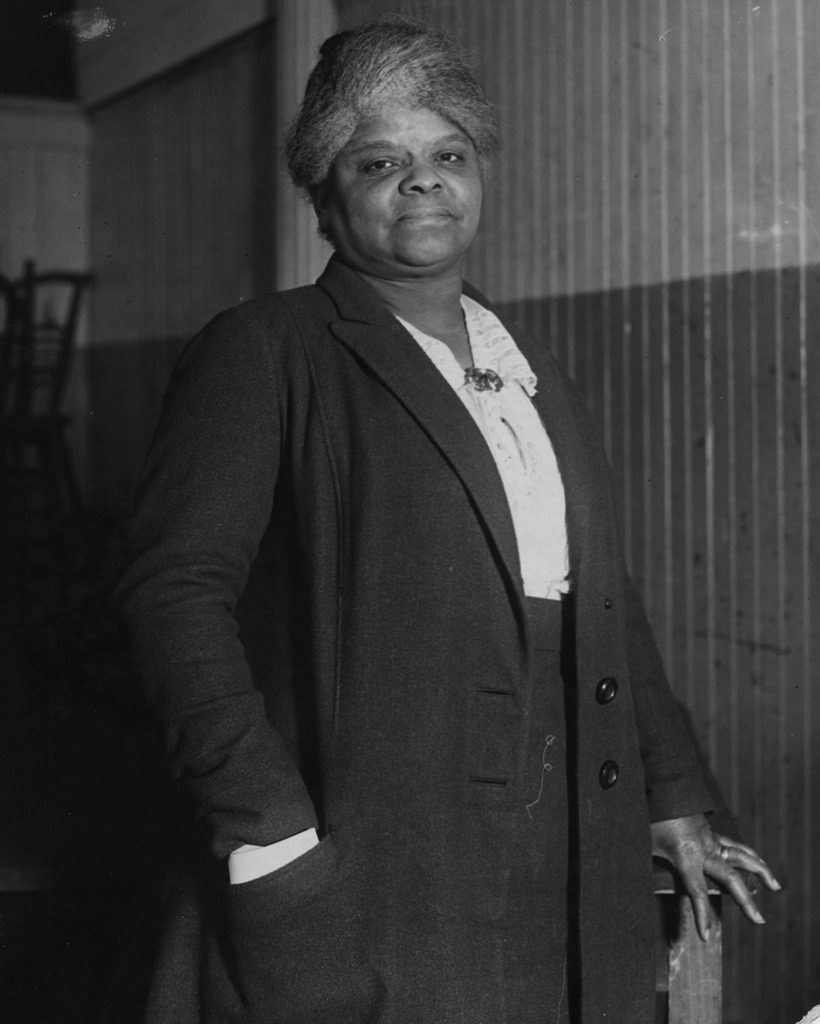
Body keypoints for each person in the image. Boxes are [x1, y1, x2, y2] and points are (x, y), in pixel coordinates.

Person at [117, 19, 780, 1024]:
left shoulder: (523, 363)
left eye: (448, 154)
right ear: (324, 191)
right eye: (380, 159)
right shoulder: (267, 350)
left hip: (563, 849)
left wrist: (672, 793)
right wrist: (268, 830)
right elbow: (172, 595)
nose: (422, 182)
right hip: (378, 866)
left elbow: (599, 598)